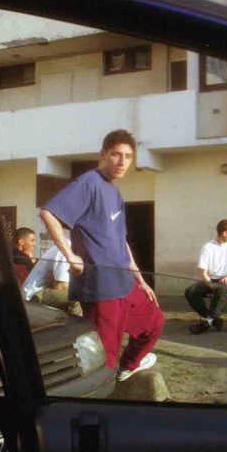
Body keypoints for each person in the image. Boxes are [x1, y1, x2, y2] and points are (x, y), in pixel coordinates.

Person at [39, 129, 165, 382]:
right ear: (103, 155)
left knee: (154, 323)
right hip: (100, 286)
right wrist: (70, 255)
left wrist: (140, 279)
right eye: (116, 155)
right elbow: (47, 213)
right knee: (104, 354)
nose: (122, 161)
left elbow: (120, 241)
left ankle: (127, 367)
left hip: (125, 282)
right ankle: (100, 401)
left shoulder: (114, 191)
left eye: (128, 156)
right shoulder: (89, 184)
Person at [185, 219, 227, 334]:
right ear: (224, 233)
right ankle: (214, 320)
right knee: (190, 291)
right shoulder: (207, 247)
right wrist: (209, 283)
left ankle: (207, 323)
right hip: (211, 280)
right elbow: (203, 272)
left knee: (221, 288)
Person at [22, 241, 83, 316]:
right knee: (75, 298)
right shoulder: (66, 248)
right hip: (33, 295)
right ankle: (75, 327)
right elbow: (61, 286)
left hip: (44, 292)